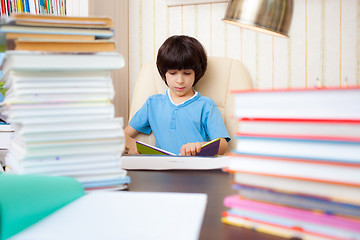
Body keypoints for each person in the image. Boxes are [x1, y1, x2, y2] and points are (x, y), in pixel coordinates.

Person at [124, 35, 230, 156]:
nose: (180, 80)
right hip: (161, 170)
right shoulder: (153, 104)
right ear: (164, 74)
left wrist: (200, 146)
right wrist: (133, 146)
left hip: (195, 169)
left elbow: (223, 145)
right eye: (173, 73)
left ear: (197, 73)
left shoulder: (206, 105)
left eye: (187, 73)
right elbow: (124, 135)